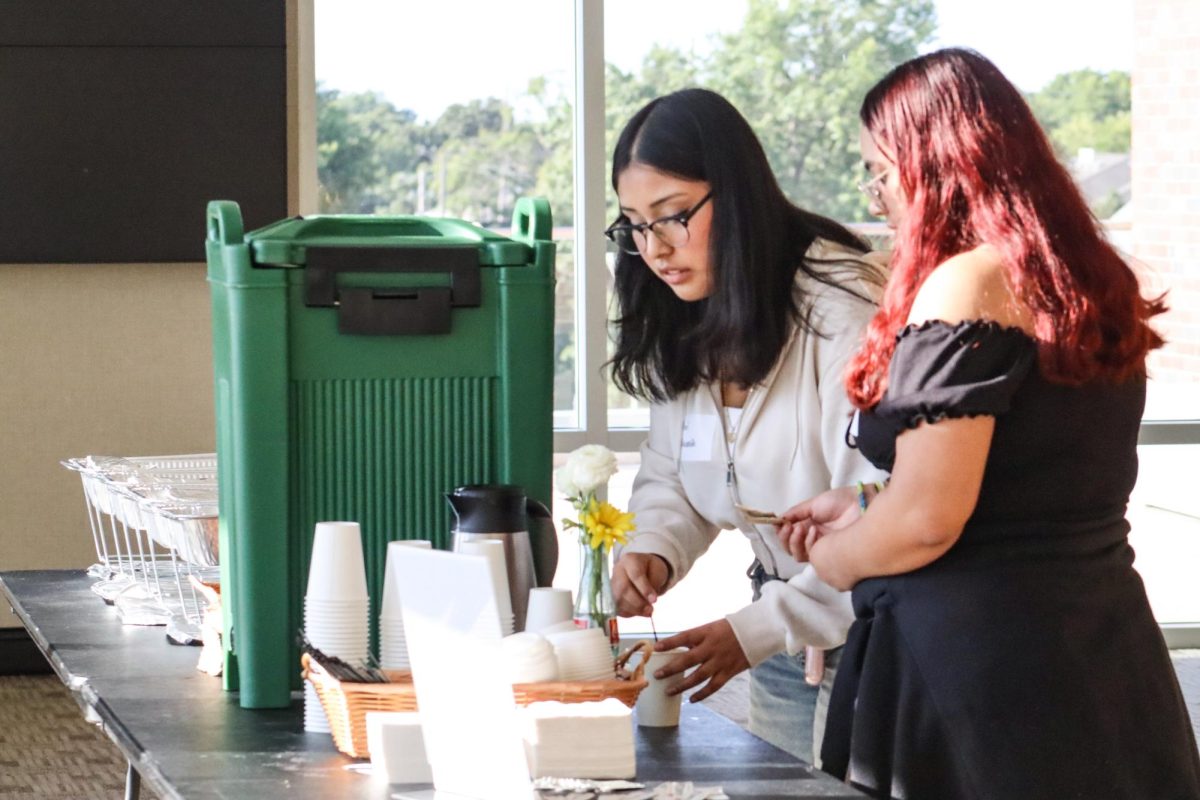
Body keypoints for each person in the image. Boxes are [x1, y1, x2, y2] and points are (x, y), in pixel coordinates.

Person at [778, 48, 1200, 799]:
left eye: (883, 169)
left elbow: (929, 520)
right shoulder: (1085, 277)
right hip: (1100, 647)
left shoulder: (967, 282)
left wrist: (837, 562)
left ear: (937, 162)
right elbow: (1028, 479)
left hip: (981, 673)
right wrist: (868, 503)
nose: (877, 195)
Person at [605, 87, 889, 765]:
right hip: (782, 628)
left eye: (674, 217)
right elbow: (672, 472)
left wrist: (756, 630)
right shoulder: (684, 306)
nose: (655, 248)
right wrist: (654, 546)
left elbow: (885, 511)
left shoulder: (841, 310)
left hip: (874, 635)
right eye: (635, 225)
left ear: (734, 196)